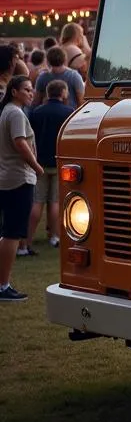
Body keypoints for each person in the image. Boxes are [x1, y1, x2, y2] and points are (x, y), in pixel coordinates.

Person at [0, 75, 45, 301]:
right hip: (18, 178)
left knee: (9, 232)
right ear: (15, 91)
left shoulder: (8, 110)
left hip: (9, 177)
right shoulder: (15, 113)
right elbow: (20, 143)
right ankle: (3, 285)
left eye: (31, 89)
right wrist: (37, 166)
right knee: (12, 233)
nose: (31, 92)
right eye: (26, 89)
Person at [28, 79, 74, 250]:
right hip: (58, 160)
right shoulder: (68, 111)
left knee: (37, 201)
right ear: (62, 93)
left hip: (39, 162)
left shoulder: (36, 112)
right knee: (55, 201)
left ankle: (27, 239)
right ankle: (54, 237)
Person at [33, 46, 85, 111]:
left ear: (48, 60)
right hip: (70, 116)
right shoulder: (74, 76)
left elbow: (36, 102)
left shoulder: (42, 77)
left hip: (48, 115)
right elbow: (81, 101)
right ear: (65, 59)